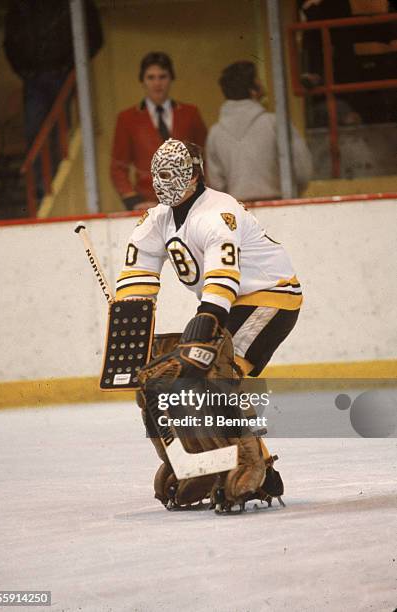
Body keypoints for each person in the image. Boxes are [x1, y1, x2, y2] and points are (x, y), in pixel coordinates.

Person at [116, 139, 302, 510]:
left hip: (270, 297)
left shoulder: (217, 212)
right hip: (225, 304)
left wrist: (206, 323)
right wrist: (128, 323)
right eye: (158, 174)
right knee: (160, 378)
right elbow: (138, 273)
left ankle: (255, 466)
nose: (163, 181)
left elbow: (223, 277)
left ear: (196, 173)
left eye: (172, 172)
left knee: (216, 371)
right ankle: (196, 463)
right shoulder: (159, 219)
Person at [4, 0, 103, 190]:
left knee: (60, 134)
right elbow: (10, 43)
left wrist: (72, 66)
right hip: (34, 79)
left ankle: (58, 184)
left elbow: (95, 37)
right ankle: (42, 188)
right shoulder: (20, 6)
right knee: (35, 133)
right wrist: (24, 72)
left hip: (63, 76)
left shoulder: (76, 3)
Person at [110, 52, 207, 211]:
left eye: (162, 77)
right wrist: (133, 200)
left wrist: (202, 194)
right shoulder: (127, 119)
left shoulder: (190, 114)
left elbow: (204, 157)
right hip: (147, 203)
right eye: (151, 77)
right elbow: (118, 167)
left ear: (171, 79)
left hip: (190, 201)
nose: (157, 83)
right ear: (142, 80)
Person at [205, 61, 312, 201]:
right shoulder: (275, 123)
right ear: (253, 90)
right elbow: (303, 170)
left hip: (238, 211)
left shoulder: (215, 133)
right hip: (279, 205)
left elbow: (217, 184)